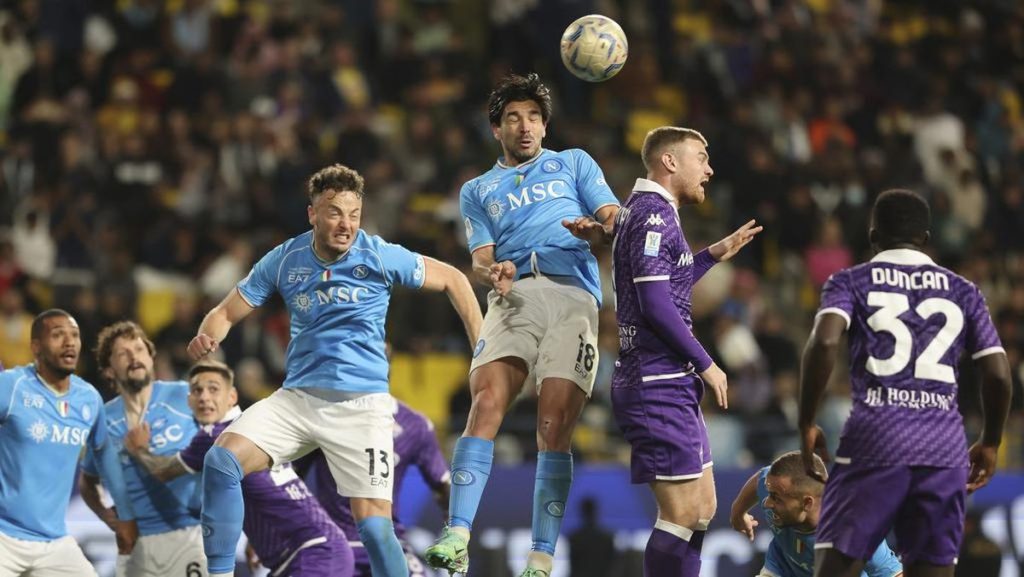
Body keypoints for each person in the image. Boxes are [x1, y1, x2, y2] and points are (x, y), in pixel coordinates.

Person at [189, 163, 482, 577]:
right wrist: (207, 335)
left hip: (362, 407)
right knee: (221, 461)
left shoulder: (378, 254)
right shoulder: (285, 258)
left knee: (375, 529)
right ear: (313, 213)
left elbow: (454, 279)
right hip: (298, 400)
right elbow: (225, 312)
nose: (346, 225)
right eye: (335, 213)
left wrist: (482, 346)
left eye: (354, 215)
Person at [425, 72, 621, 577]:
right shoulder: (477, 189)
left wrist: (596, 230)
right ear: (497, 129)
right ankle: (458, 534)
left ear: (545, 125)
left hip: (573, 295)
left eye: (533, 116)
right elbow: (480, 258)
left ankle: (540, 557)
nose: (525, 125)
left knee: (553, 426)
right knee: (485, 403)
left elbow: (614, 219)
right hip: (513, 296)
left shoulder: (574, 163)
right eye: (513, 118)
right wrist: (494, 272)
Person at [797, 189, 1013, 577]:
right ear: (925, 239)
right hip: (943, 449)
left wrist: (806, 420)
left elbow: (825, 342)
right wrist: (991, 441)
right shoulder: (964, 291)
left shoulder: (850, 281)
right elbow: (998, 373)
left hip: (875, 440)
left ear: (873, 236)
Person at [607, 126, 761, 576]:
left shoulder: (653, 211)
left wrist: (711, 255)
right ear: (670, 162)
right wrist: (707, 363)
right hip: (654, 380)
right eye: (701, 157)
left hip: (669, 379)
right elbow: (655, 304)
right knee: (681, 513)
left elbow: (666, 285)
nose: (709, 170)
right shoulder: (653, 214)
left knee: (703, 507)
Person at [122, 359, 354, 577]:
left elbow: (163, 471)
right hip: (318, 548)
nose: (204, 397)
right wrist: (258, 536)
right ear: (189, 400)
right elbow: (272, 488)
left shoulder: (214, 435)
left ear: (232, 396)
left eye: (213, 389)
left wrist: (139, 450)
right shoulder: (261, 428)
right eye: (197, 391)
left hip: (312, 553)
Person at [0, 309, 137, 576]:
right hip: (4, 535)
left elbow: (104, 453)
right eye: (58, 335)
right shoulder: (12, 386)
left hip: (54, 542)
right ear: (36, 347)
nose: (69, 342)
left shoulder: (88, 398)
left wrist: (123, 512)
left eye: (74, 335)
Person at [78, 320, 206, 577]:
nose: (133, 357)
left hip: (191, 534)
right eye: (122, 354)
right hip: (137, 546)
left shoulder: (185, 396)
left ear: (151, 357)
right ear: (109, 370)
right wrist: (109, 518)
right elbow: (87, 482)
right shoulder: (104, 421)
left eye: (139, 349)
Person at [299, 399, 449, 577]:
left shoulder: (414, 424)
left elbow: (443, 484)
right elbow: (289, 476)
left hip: (390, 541)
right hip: (333, 541)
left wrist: (457, 531)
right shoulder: (325, 417)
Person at [730, 451, 903, 577]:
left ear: (807, 503)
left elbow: (893, 573)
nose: (767, 503)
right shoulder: (776, 487)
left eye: (776, 498)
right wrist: (738, 513)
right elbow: (761, 477)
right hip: (781, 570)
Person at [568, 498, 615, 577]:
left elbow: (574, 567)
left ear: (582, 513)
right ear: (595, 512)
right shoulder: (607, 538)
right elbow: (611, 567)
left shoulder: (575, 538)